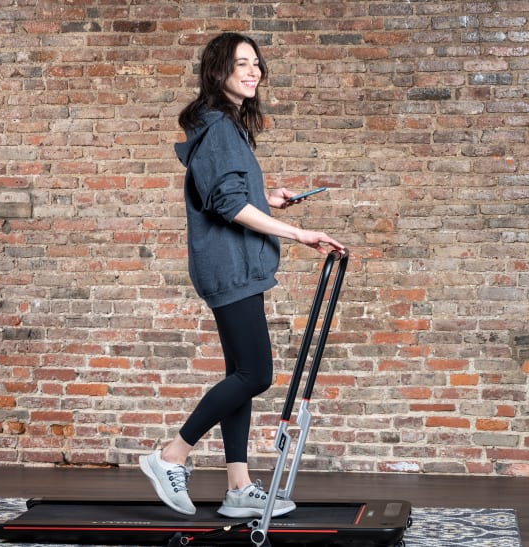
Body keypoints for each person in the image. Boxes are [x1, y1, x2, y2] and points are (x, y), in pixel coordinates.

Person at [140, 32, 345, 519]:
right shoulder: (219, 128)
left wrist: (266, 196)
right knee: (256, 374)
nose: (252, 71)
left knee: (240, 375)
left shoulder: (222, 126)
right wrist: (299, 232)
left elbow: (226, 191)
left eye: (256, 63)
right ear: (219, 71)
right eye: (241, 64)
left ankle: (238, 486)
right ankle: (171, 454)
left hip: (234, 266)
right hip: (229, 267)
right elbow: (227, 205)